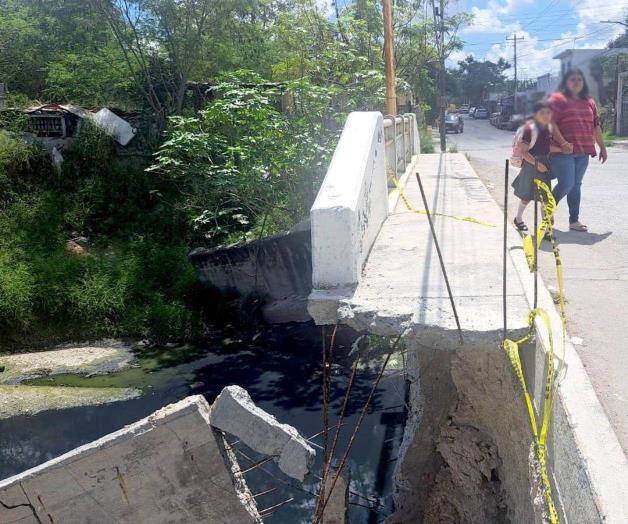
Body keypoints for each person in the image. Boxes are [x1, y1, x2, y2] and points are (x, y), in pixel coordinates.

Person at [548, 69, 608, 232]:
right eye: (572, 79)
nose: (576, 82)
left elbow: (595, 126)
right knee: (567, 183)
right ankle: (548, 210)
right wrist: (562, 142)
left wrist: (602, 147)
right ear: (566, 82)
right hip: (562, 152)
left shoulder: (590, 101)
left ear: (583, 82)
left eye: (579, 79)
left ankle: (573, 221)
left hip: (583, 151)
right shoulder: (558, 100)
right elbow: (551, 124)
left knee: (576, 185)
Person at [511, 101, 571, 232]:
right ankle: (518, 219)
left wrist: (562, 149)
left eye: (548, 112)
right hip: (532, 164)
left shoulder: (546, 128)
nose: (546, 115)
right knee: (526, 196)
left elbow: (546, 147)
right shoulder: (529, 129)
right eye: (542, 112)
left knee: (545, 198)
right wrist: (537, 165)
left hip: (543, 163)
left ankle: (546, 229)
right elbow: (523, 151)